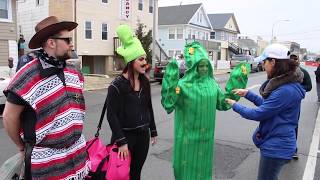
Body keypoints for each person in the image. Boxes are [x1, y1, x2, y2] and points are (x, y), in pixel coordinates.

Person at [3, 16, 89, 179]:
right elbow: (9, 116)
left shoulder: (74, 72)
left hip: (77, 157)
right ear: (51, 42)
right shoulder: (28, 74)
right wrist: (22, 147)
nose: (72, 44)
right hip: (47, 164)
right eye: (67, 39)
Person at [161, 42, 249, 180]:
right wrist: (171, 80)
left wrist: (238, 79)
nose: (203, 69)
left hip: (205, 140)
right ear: (193, 67)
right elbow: (169, 103)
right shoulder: (183, 86)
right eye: (199, 66)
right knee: (185, 172)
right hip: (186, 140)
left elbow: (223, 102)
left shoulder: (212, 85)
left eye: (205, 65)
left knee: (203, 172)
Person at [226, 44, 305, 180]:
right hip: (280, 144)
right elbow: (270, 107)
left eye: (264, 61)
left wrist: (235, 105)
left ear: (273, 62)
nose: (263, 65)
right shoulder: (287, 85)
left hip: (276, 148)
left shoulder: (285, 90)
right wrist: (248, 94)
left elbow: (259, 113)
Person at [106, 24, 158, 180]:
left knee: (136, 174)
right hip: (125, 137)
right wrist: (121, 141)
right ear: (130, 62)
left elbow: (148, 107)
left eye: (145, 59)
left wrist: (153, 130)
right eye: (141, 59)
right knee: (121, 175)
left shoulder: (145, 82)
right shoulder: (116, 86)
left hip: (143, 136)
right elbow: (111, 115)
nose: (145, 63)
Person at [290, 53, 312, 159]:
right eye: (291, 59)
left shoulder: (303, 72)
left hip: (295, 103)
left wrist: (298, 89)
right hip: (282, 101)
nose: (293, 60)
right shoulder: (283, 71)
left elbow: (309, 86)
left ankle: (293, 149)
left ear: (298, 60)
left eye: (295, 59)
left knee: (293, 125)